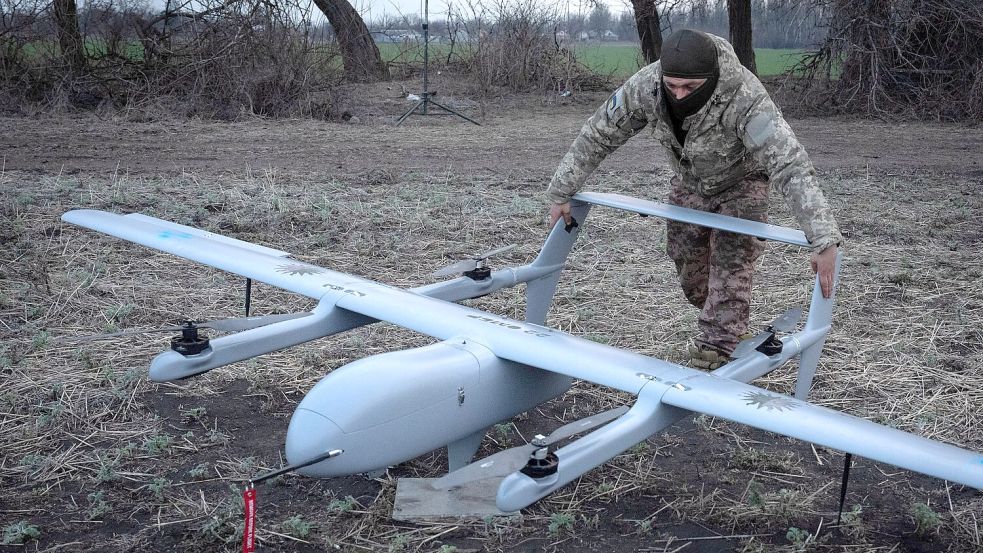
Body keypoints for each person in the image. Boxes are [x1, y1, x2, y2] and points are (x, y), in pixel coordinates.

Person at [546, 29, 842, 370]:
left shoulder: (744, 97)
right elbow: (600, 132)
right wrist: (561, 191)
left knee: (730, 268)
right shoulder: (647, 87)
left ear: (712, 78)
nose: (679, 94)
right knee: (691, 272)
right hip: (689, 182)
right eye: (673, 86)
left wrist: (822, 237)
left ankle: (713, 352)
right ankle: (729, 324)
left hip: (742, 184)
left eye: (690, 87)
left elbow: (789, 164)